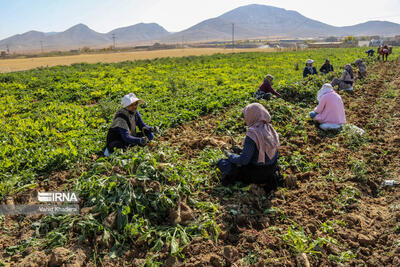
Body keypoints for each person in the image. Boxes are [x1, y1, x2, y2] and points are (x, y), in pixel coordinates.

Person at [216, 103, 283, 193]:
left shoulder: (253, 134)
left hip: (256, 174)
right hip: (272, 169)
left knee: (222, 162)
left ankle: (238, 179)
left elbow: (244, 160)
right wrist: (240, 150)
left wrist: (230, 155)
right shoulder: (270, 129)